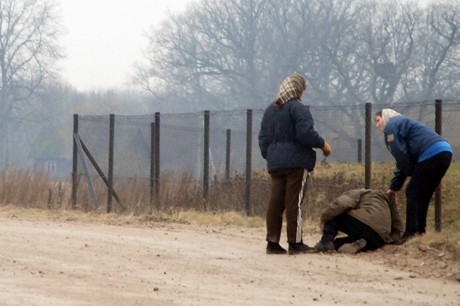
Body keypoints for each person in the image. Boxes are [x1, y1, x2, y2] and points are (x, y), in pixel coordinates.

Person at [258, 73, 331, 255]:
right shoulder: (298, 109)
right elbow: (305, 133)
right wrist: (323, 144)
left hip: (276, 165)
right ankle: (295, 243)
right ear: (298, 90)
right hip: (297, 163)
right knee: (294, 203)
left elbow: (263, 138)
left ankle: (272, 243)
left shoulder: (270, 110)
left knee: (276, 202)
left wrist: (272, 155)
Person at [375, 109, 452, 244]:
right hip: (445, 152)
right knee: (424, 194)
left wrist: (410, 173)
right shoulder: (402, 122)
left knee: (412, 191)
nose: (377, 125)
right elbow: (403, 159)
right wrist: (395, 187)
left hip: (430, 154)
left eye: (377, 120)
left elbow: (401, 156)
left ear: (385, 116)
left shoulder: (391, 127)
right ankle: (420, 232)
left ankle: (410, 234)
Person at [313, 189, 404, 254]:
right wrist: (390, 240)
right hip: (379, 237)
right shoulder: (388, 200)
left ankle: (326, 242)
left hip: (363, 224)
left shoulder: (360, 192)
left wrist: (324, 219)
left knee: (335, 213)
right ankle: (354, 244)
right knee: (363, 239)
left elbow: (341, 204)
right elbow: (397, 226)